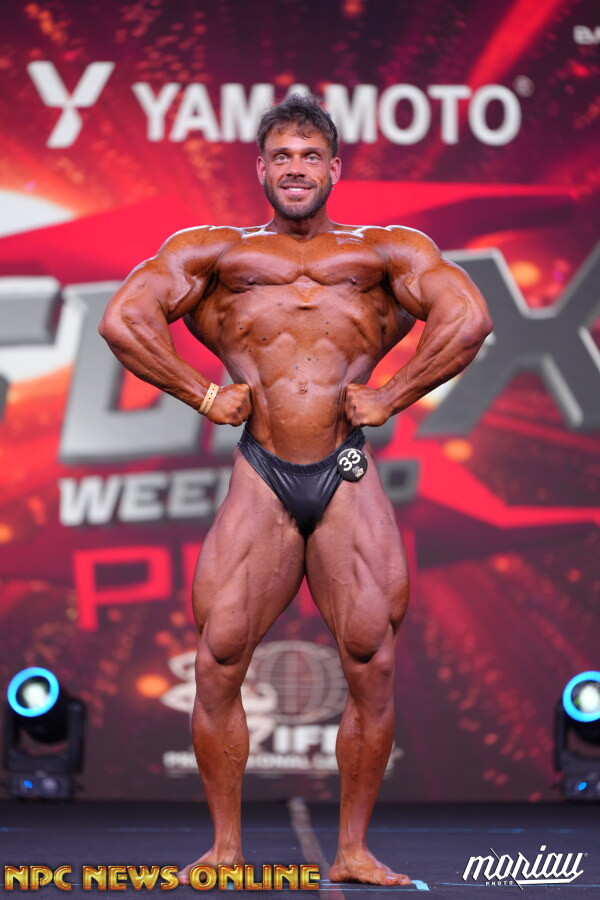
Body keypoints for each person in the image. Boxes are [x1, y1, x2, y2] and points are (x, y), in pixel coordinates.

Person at [98, 93, 493, 887]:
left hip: (345, 469)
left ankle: (353, 851)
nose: (296, 169)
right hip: (263, 470)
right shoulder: (215, 252)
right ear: (261, 169)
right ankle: (225, 849)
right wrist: (203, 394)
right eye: (282, 156)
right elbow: (123, 319)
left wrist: (394, 395)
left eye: (311, 156)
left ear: (335, 168)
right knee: (218, 656)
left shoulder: (386, 251)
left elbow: (469, 318)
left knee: (371, 656)